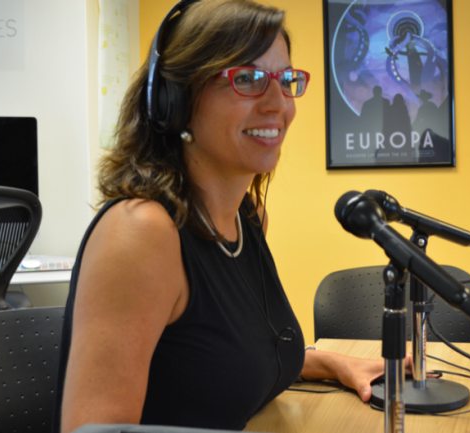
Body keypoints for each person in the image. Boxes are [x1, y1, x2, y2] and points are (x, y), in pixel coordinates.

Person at [53, 1, 411, 432]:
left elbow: (225, 361)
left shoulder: (247, 216)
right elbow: (95, 430)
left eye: (286, 79)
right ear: (177, 99)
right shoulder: (141, 234)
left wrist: (334, 364)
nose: (279, 104)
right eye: (247, 79)